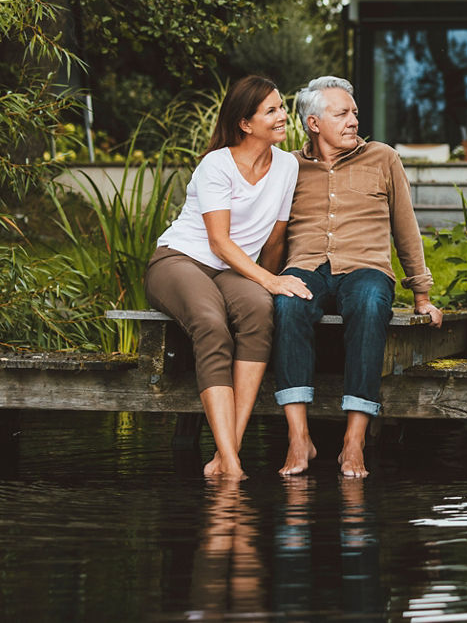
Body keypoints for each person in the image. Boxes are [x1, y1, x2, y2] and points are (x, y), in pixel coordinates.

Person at [272, 75, 442, 479]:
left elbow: (406, 228)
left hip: (366, 268)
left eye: (355, 113)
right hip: (307, 266)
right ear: (313, 123)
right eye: (342, 113)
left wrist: (421, 294)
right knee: (287, 303)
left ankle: (354, 440)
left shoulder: (383, 158)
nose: (353, 120)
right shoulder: (288, 166)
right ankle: (299, 437)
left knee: (369, 305)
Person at [144, 74, 312, 479]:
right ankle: (232, 463)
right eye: (271, 110)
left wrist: (268, 282)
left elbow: (274, 239)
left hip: (230, 271)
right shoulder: (216, 164)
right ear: (245, 122)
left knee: (258, 311)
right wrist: (270, 281)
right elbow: (218, 242)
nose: (282, 116)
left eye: (281, 107)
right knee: (211, 324)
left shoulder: (287, 165)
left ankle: (226, 454)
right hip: (180, 261)